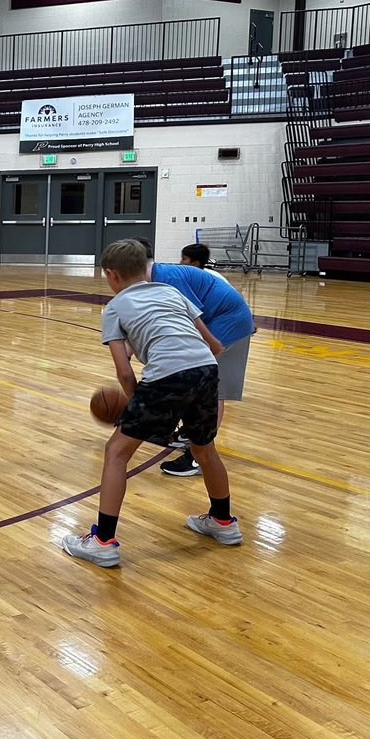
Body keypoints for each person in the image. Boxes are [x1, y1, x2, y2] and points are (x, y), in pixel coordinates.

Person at [63, 238, 241, 568]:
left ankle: (102, 541)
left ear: (111, 275)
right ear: (145, 268)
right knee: (204, 449)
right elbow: (214, 345)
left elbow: (122, 370)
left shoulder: (114, 308)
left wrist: (138, 405)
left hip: (166, 376)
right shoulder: (172, 293)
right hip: (206, 370)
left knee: (116, 452)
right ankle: (222, 521)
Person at [136, 238, 255, 477]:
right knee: (193, 378)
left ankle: (199, 455)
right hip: (221, 321)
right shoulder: (157, 276)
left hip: (228, 324)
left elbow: (191, 317)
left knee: (212, 389)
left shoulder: (169, 279)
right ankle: (189, 434)